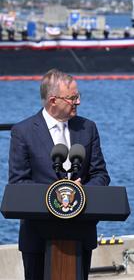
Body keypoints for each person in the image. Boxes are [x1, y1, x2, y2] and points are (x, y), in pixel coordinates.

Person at [9, 69, 110, 280]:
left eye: (78, 96)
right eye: (73, 97)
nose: (78, 101)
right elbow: (18, 183)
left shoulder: (87, 128)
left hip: (80, 231)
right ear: (53, 100)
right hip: (37, 235)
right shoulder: (23, 132)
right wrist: (59, 193)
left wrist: (81, 193)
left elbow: (100, 174)